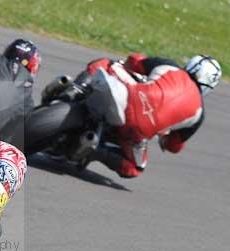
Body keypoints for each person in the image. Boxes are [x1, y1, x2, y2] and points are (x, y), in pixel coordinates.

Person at [67, 53, 221, 178]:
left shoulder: (169, 65)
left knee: (105, 63)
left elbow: (133, 61)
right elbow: (173, 146)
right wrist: (163, 133)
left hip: (129, 97)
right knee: (135, 168)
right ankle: (95, 151)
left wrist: (131, 69)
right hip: (138, 132)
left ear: (190, 65)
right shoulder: (199, 115)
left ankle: (76, 88)